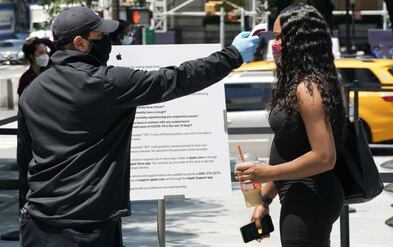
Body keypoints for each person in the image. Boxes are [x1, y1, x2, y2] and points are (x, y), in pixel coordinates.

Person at [17, 6, 259, 247]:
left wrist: (23, 214)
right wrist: (233, 55)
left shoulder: (31, 92)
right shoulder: (105, 83)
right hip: (87, 227)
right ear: (80, 43)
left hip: (37, 225)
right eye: (100, 36)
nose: (108, 41)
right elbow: (177, 79)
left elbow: (25, 161)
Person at [235, 4, 345, 247]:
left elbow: (325, 157)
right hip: (299, 195)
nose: (275, 44)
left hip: (309, 199)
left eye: (279, 37)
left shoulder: (308, 89)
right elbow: (290, 153)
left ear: (299, 41)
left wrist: (267, 172)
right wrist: (265, 200)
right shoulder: (302, 85)